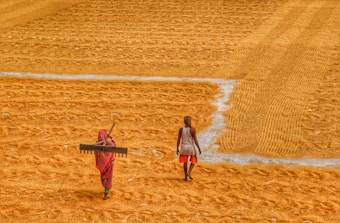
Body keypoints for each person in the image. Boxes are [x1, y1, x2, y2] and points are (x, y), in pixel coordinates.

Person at [176, 116, 202, 181]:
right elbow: (195, 140)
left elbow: (178, 140)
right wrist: (199, 148)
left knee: (185, 162)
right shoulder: (193, 129)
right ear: (190, 121)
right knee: (194, 161)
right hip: (191, 148)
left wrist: (177, 148)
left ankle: (185, 177)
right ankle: (189, 172)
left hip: (183, 147)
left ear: (184, 122)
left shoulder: (181, 129)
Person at [94, 129, 116, 200]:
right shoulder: (108, 144)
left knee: (104, 177)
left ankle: (105, 191)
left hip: (102, 166)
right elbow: (114, 145)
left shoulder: (97, 144)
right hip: (109, 164)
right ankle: (105, 195)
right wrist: (111, 138)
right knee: (108, 178)